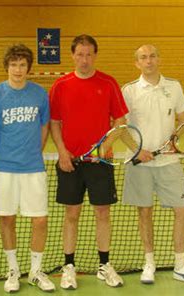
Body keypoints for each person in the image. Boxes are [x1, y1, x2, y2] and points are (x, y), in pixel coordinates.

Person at [49, 34, 128, 289]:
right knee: (71, 214)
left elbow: (120, 121)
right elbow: (55, 123)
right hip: (70, 162)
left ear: (95, 55)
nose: (84, 59)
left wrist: (105, 147)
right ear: (73, 55)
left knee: (102, 213)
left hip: (99, 163)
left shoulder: (108, 83)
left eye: (89, 54)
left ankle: (104, 265)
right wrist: (62, 152)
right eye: (80, 54)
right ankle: (68, 267)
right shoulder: (61, 85)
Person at [121, 44, 184, 285]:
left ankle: (180, 264)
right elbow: (120, 126)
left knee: (183, 210)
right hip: (139, 163)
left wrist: (175, 140)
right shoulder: (129, 90)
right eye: (143, 58)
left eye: (153, 56)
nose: (149, 61)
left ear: (159, 59)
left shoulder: (174, 87)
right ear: (137, 63)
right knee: (144, 212)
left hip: (169, 161)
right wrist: (138, 150)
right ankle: (149, 262)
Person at [0, 44, 54, 293]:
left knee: (39, 219)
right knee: (7, 218)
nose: (18, 69)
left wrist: (34, 151)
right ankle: (13, 269)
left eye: (22, 64)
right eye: (13, 64)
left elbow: (44, 126)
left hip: (33, 167)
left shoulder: (39, 94)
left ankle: (35, 271)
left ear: (29, 67)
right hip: (4, 166)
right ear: (7, 66)